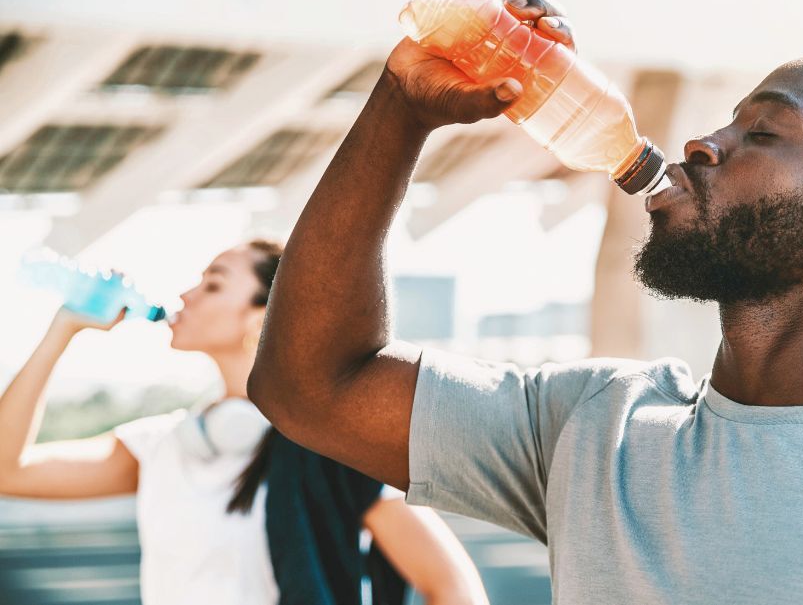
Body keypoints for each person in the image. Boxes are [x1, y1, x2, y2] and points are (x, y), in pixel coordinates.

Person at [248, 0, 803, 604]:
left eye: (763, 131)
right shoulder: (595, 425)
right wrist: (402, 106)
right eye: (727, 119)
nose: (702, 141)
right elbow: (308, 386)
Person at [0, 239, 489, 605]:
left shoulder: (330, 451)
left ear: (262, 318)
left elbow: (453, 590)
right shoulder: (163, 445)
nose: (186, 295)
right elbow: (9, 470)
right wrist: (64, 327)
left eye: (213, 284)